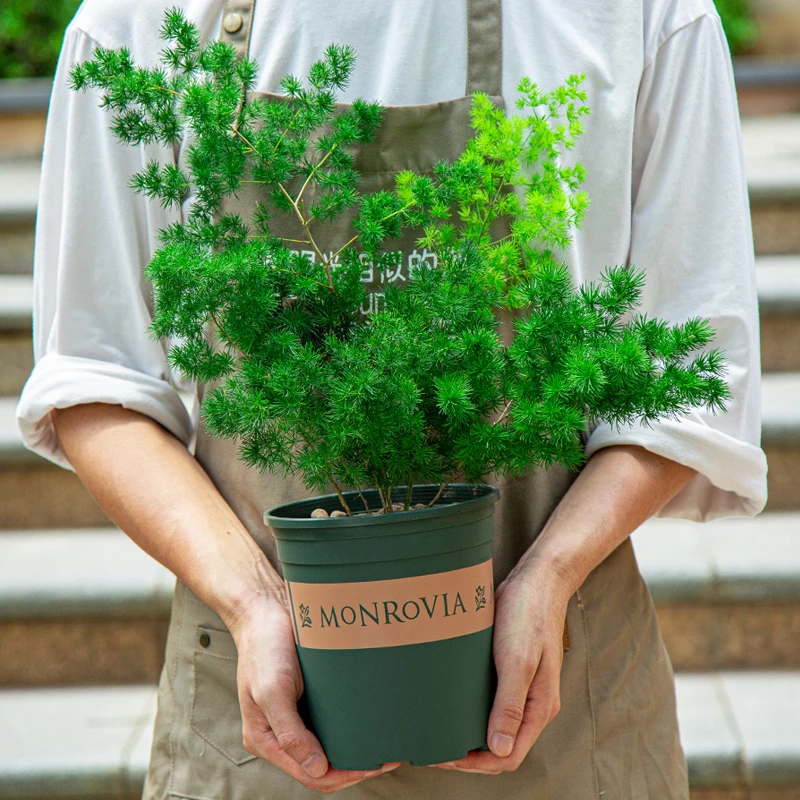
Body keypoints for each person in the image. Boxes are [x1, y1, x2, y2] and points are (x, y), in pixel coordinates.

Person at [17, 0, 767, 797]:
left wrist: (548, 575)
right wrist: (253, 602)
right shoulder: (138, 24)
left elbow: (689, 372)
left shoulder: (641, 16)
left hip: (564, 711)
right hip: (265, 718)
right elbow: (95, 384)